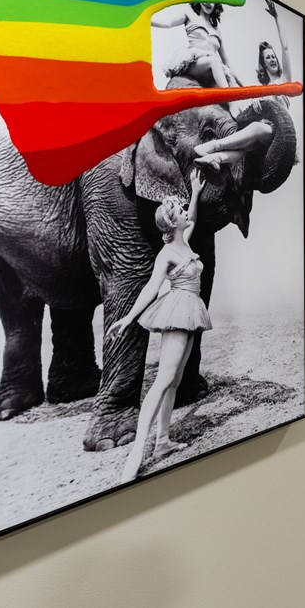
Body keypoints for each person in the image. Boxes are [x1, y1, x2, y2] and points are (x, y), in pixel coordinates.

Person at [108, 170, 212, 483]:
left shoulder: (185, 242)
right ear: (172, 223)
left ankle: (163, 441)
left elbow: (191, 218)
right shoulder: (167, 253)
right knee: (163, 378)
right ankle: (138, 450)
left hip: (190, 309)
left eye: (182, 210)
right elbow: (151, 289)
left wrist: (194, 194)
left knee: (175, 377)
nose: (184, 213)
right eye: (178, 211)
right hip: (178, 310)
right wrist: (128, 318)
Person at [192, 0, 295, 171]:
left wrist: (277, 18)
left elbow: (285, 49)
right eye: (267, 57)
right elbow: (243, 89)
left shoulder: (284, 81)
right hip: (262, 131)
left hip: (277, 131)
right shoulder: (261, 89)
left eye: (273, 56)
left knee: (255, 128)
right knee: (244, 148)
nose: (272, 59)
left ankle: (214, 146)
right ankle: (213, 159)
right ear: (263, 63)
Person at [152, 0, 243, 91]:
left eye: (212, 0)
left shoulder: (216, 31)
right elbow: (168, 23)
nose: (208, 3)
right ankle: (231, 100)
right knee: (214, 62)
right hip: (194, 63)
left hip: (211, 70)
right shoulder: (190, 15)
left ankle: (232, 104)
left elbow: (227, 62)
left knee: (222, 70)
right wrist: (146, 19)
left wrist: (244, 86)